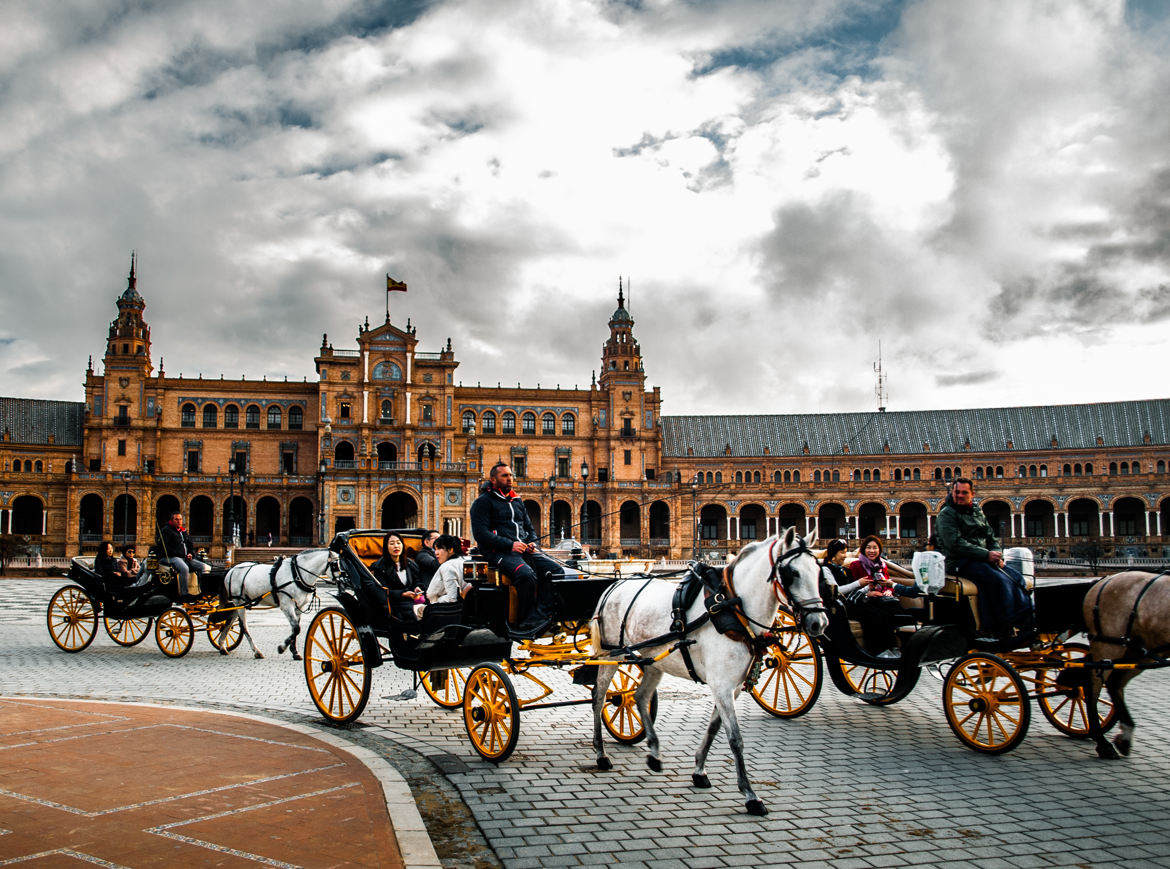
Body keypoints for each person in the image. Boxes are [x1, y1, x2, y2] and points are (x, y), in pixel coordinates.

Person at [470, 462, 563, 633]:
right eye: (504, 476)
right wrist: (510, 544)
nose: (509, 479)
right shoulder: (482, 502)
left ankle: (544, 613)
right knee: (526, 575)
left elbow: (529, 527)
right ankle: (525, 620)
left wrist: (533, 542)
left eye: (511, 475)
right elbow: (481, 534)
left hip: (523, 551)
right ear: (493, 479)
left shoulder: (517, 500)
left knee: (556, 571)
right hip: (499, 552)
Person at [936, 478, 1033, 639]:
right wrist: (986, 555)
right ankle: (1001, 627)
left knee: (1017, 578)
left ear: (972, 494)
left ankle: (1026, 624)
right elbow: (955, 544)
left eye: (964, 492)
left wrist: (996, 554)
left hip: (981, 560)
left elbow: (990, 536)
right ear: (952, 492)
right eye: (956, 492)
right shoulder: (946, 514)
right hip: (958, 562)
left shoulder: (977, 511)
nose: (960, 495)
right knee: (998, 581)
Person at [838, 535, 919, 658]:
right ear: (863, 550)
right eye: (868, 548)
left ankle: (903, 647)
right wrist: (867, 593)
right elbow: (852, 588)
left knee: (901, 613)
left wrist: (888, 591)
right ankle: (879, 650)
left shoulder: (882, 565)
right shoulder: (856, 565)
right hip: (862, 602)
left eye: (875, 548)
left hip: (882, 599)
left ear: (879, 550)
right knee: (878, 615)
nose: (872, 551)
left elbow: (887, 583)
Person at [365, 532, 422, 622]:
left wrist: (417, 588)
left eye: (398, 543)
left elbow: (417, 580)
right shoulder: (379, 567)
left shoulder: (409, 563)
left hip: (411, 600)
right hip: (393, 604)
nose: (396, 546)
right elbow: (382, 590)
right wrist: (402, 594)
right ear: (386, 547)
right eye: (392, 543)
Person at [157, 511, 210, 596]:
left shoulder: (183, 531)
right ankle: (184, 593)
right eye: (176, 519)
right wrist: (182, 555)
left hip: (185, 557)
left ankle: (200, 591)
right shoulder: (166, 530)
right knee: (184, 568)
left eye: (180, 519)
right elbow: (164, 547)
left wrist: (191, 554)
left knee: (205, 567)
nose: (179, 521)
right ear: (172, 520)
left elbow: (190, 545)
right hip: (171, 557)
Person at [416, 533, 469, 617]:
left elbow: (452, 598)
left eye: (439, 548)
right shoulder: (464, 561)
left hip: (444, 611)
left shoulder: (448, 566)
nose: (436, 553)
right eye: (435, 549)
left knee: (416, 609)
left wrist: (436, 600)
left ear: (450, 550)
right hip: (457, 609)